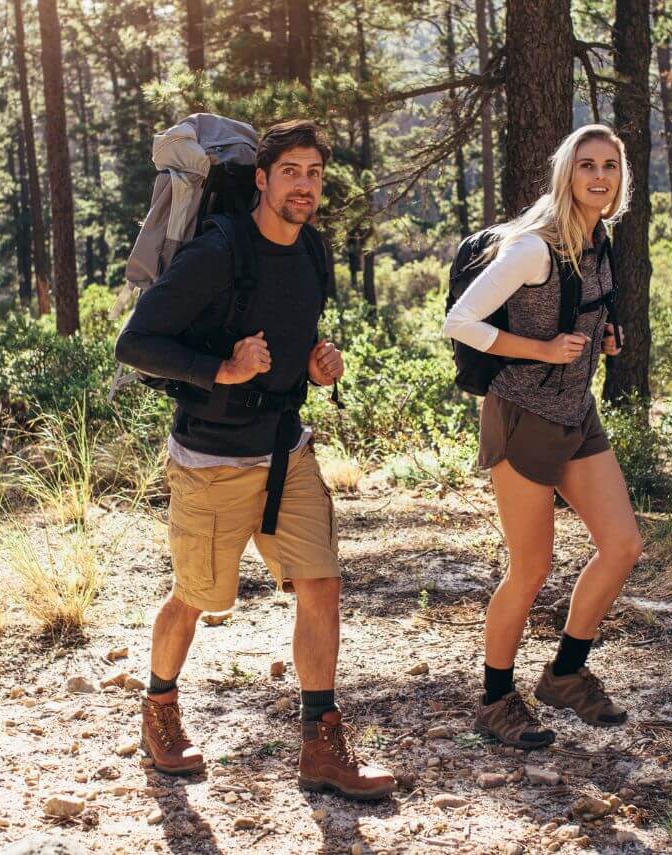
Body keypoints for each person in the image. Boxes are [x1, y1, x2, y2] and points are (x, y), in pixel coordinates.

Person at [114, 119, 395, 800]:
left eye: (314, 174)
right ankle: (159, 712)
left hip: (284, 449)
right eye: (291, 172)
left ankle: (321, 745)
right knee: (197, 598)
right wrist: (224, 369)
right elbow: (136, 343)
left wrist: (319, 362)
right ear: (262, 181)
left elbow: (296, 331)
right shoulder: (218, 251)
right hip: (210, 458)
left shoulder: (311, 252)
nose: (304, 186)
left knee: (320, 582)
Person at [442, 124, 644, 749]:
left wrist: (600, 341)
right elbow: (460, 321)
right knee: (531, 567)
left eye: (610, 166)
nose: (599, 177)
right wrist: (545, 349)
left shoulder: (600, 240)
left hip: (575, 413)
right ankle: (496, 699)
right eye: (587, 165)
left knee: (622, 545)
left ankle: (565, 672)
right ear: (566, 174)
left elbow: (584, 314)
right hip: (522, 414)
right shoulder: (533, 250)